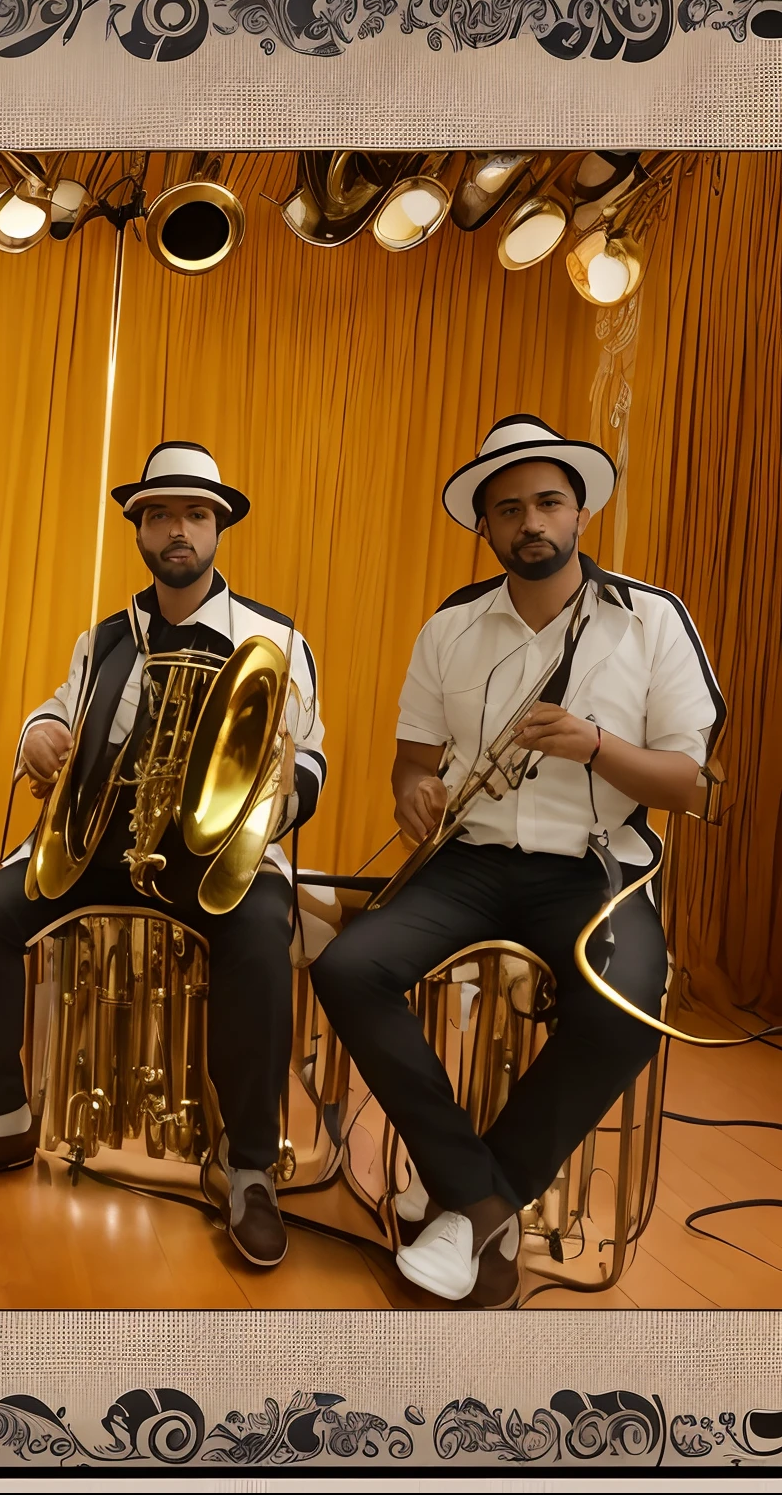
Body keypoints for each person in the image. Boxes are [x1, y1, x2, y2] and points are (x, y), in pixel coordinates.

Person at [311, 413, 721, 1307]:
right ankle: (479, 1195)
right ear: (484, 527)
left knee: (626, 1007)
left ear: (580, 515)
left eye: (547, 503)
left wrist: (593, 743)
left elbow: (691, 786)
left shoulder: (650, 620)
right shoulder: (450, 627)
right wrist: (411, 793)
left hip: (595, 867)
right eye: (508, 510)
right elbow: (412, 761)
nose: (530, 522)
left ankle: (465, 1205)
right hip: (469, 861)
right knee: (348, 966)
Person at [0, 442, 326, 1270]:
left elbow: (310, 760)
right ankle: (4, 1119)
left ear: (218, 527)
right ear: (138, 528)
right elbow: (55, 715)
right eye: (159, 514)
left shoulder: (274, 637)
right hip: (104, 838)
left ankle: (247, 1169)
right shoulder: (106, 637)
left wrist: (273, 804)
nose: (177, 530)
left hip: (221, 848)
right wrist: (41, 736)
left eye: (194, 515)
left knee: (263, 947)